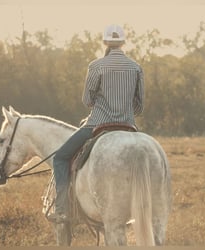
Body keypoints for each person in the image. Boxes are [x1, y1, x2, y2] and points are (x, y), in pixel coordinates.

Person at [48, 24, 144, 224]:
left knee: (60, 158)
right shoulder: (136, 67)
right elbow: (139, 106)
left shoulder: (96, 66)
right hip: (128, 125)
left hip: (97, 124)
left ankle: (62, 209)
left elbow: (87, 101)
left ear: (105, 42)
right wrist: (123, 112)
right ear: (123, 43)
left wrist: (104, 107)